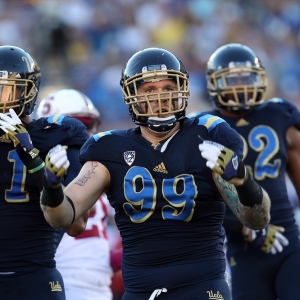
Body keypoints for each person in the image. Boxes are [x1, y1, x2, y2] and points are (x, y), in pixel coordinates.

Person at [25, 47, 270, 300]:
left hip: (202, 288)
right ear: (133, 96)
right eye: (149, 90)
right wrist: (52, 187)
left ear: (181, 90)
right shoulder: (108, 148)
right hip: (140, 292)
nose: (160, 98)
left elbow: (257, 219)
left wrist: (243, 180)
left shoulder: (207, 137)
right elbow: (65, 217)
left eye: (167, 88)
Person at [196, 43, 300, 299]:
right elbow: (202, 200)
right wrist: (248, 229)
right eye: (232, 79)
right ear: (213, 84)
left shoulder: (280, 114)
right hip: (241, 249)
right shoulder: (203, 127)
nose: (240, 85)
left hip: (289, 240)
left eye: (246, 77)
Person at [0, 45, 90, 299]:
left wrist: (35, 160)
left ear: (28, 92)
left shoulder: (57, 134)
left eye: (9, 89)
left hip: (33, 276)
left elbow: (76, 224)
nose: (2, 99)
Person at [36, 88, 124, 300]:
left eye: (87, 126)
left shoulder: (96, 173)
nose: (83, 134)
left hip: (96, 289)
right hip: (60, 286)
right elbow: (74, 230)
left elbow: (91, 254)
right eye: (76, 125)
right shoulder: (44, 174)